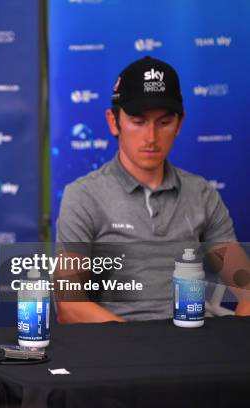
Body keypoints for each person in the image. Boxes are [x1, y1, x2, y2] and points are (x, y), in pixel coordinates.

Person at [55, 56, 250, 323]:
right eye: (138, 120)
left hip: (193, 347)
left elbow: (245, 284)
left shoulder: (201, 193)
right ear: (114, 122)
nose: (151, 137)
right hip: (119, 350)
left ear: (179, 124)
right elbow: (69, 303)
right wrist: (145, 348)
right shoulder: (83, 196)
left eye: (164, 122)